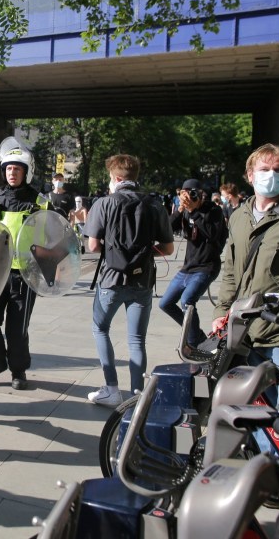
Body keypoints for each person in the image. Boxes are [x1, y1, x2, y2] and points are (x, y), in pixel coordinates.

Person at [212, 143, 279, 444]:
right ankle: (267, 482)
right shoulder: (239, 216)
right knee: (254, 416)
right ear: (250, 175)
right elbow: (232, 271)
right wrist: (221, 312)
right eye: (264, 169)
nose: (271, 175)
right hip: (246, 333)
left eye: (278, 170)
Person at [83, 154, 174, 407]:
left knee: (100, 329)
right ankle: (136, 396)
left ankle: (111, 388)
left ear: (117, 178)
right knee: (137, 340)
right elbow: (168, 249)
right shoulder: (155, 205)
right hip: (142, 280)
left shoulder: (104, 203)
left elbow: (92, 246)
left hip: (110, 280)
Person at [0, 138, 48, 389]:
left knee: (17, 329)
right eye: (8, 168)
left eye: (17, 168)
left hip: (25, 275)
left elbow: (50, 240)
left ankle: (18, 371)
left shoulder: (40, 203)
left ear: (26, 172)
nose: (12, 172)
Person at [158, 179, 227, 347]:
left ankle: (193, 342)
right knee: (165, 303)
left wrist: (194, 212)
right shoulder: (185, 209)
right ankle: (195, 334)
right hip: (188, 266)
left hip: (206, 266)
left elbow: (212, 234)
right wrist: (180, 209)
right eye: (186, 193)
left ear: (202, 194)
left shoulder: (213, 210)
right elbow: (166, 228)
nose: (191, 197)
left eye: (193, 193)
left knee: (187, 301)